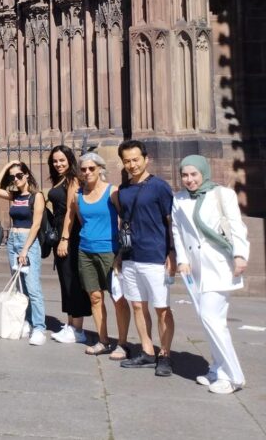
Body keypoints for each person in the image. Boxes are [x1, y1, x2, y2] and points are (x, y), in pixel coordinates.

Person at [172, 155, 249, 394]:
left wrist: (240, 255)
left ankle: (233, 376)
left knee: (211, 318)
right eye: (185, 175)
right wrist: (182, 259)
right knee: (209, 321)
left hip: (221, 265)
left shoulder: (222, 194)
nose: (189, 179)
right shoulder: (179, 198)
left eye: (194, 174)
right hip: (195, 268)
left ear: (204, 172)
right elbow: (177, 230)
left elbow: (237, 226)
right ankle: (217, 367)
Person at [60, 152, 131, 358]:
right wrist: (68, 237)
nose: (87, 172)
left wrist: (120, 252)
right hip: (86, 251)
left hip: (110, 251)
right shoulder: (78, 195)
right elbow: (78, 219)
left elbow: (124, 220)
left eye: (91, 168)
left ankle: (123, 343)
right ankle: (103, 340)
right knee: (95, 297)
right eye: (83, 169)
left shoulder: (112, 192)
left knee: (118, 298)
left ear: (100, 168)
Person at [115, 139, 176, 376]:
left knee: (162, 308)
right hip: (131, 256)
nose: (131, 165)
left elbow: (171, 222)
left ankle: (166, 355)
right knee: (138, 306)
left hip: (155, 256)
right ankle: (148, 351)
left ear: (146, 159)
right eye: (127, 161)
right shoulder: (124, 190)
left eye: (135, 159)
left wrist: (171, 252)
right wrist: (120, 254)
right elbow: (124, 223)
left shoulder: (160, 187)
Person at [0, 161, 48, 345]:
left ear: (27, 175)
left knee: (33, 287)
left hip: (27, 243)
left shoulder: (36, 196)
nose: (15, 179)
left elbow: (37, 224)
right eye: (12, 177)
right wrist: (8, 165)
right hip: (13, 242)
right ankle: (28, 321)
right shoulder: (15, 195)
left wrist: (25, 249)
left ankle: (39, 327)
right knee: (21, 285)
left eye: (19, 175)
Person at [48, 146, 90, 345]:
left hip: (71, 236)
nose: (58, 164)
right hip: (61, 235)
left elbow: (71, 211)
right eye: (55, 161)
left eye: (62, 160)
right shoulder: (61, 179)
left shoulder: (73, 180)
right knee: (66, 280)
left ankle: (78, 329)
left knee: (73, 281)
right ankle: (71, 325)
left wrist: (64, 238)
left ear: (70, 160)